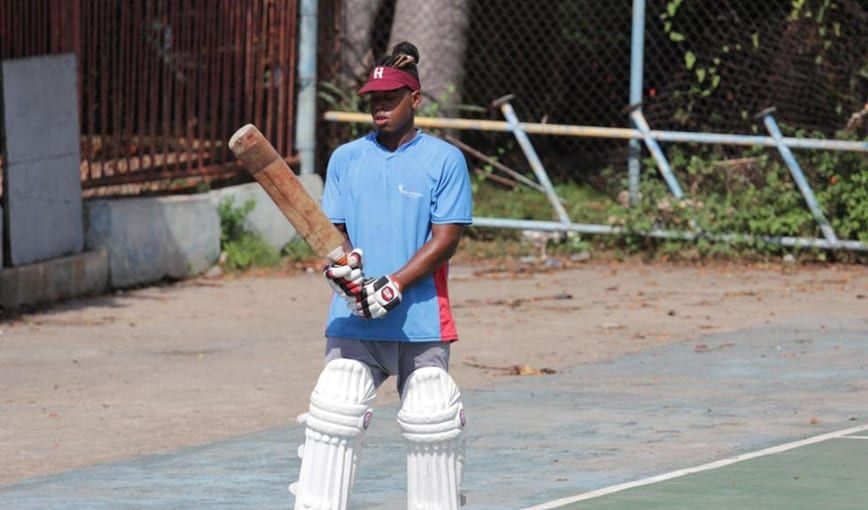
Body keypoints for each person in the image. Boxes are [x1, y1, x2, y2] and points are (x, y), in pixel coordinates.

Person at [290, 41, 472, 510]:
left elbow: (446, 237)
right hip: (354, 319)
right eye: (373, 99)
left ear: (415, 99)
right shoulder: (346, 159)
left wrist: (392, 284)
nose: (379, 107)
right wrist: (348, 274)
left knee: (432, 410)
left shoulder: (444, 160)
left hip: (420, 318)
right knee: (336, 405)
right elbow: (335, 235)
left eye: (390, 98)